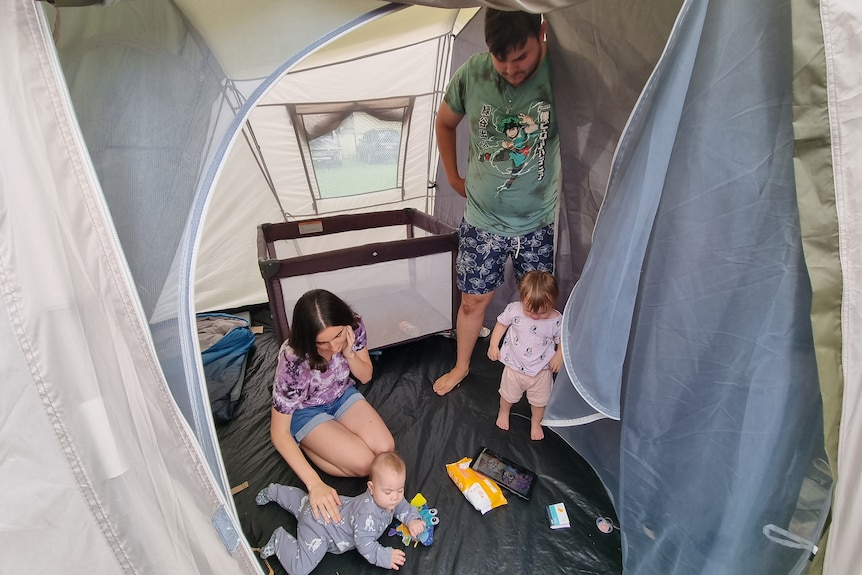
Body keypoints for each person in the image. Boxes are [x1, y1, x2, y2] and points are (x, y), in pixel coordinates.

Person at [434, 9, 560, 395]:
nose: (510, 69)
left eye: (520, 57)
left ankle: (536, 372)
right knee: (473, 301)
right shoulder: (473, 73)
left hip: (537, 219)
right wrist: (454, 177)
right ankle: (461, 366)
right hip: (483, 220)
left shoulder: (563, 75)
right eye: (500, 58)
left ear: (541, 31)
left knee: (537, 306)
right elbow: (444, 121)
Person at [269, 289, 394, 527]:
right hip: (305, 410)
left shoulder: (353, 326)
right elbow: (278, 432)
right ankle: (305, 442)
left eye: (337, 336)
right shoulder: (293, 361)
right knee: (366, 465)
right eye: (322, 343)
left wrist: (350, 354)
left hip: (341, 394)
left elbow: (366, 376)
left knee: (385, 449)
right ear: (307, 339)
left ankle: (324, 439)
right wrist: (314, 483)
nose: (333, 346)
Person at [257, 451, 426, 574]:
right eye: (388, 492)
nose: (395, 498)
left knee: (303, 502)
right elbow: (365, 545)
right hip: (320, 530)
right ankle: (279, 540)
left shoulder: (391, 499)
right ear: (372, 489)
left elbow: (402, 506)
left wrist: (412, 519)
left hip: (328, 507)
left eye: (400, 490)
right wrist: (385, 556)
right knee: (299, 569)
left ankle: (275, 491)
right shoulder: (367, 517)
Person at [487, 271, 562, 440]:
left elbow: (562, 339)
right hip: (514, 366)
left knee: (540, 402)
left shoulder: (556, 320)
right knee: (507, 395)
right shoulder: (514, 310)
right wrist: (493, 345)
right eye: (530, 311)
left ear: (552, 302)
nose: (535, 316)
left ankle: (536, 422)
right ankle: (504, 412)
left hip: (541, 370)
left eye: (542, 313)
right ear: (522, 299)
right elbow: (501, 324)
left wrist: (559, 355)